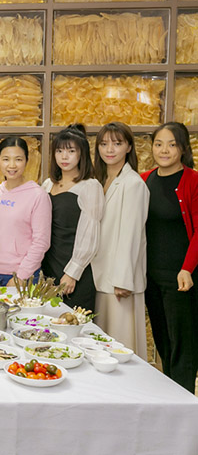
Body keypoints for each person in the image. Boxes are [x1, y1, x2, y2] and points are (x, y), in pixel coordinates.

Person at [142, 122, 198, 392]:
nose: (164, 150)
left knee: (183, 346)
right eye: (159, 144)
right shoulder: (144, 179)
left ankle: (184, 401)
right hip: (151, 277)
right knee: (162, 341)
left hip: (181, 278)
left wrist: (187, 268)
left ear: (183, 148)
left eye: (172, 144)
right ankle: (172, 399)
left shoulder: (193, 180)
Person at [90, 122, 149, 359]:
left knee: (121, 347)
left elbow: (131, 234)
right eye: (104, 144)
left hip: (119, 282)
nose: (109, 149)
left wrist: (123, 280)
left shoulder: (133, 183)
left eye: (117, 143)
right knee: (101, 345)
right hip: (100, 274)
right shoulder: (99, 179)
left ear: (129, 147)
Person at [41, 125, 104, 312]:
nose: (64, 156)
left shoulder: (90, 186)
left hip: (75, 271)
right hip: (48, 268)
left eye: (71, 151)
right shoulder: (47, 184)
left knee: (74, 323)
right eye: (59, 151)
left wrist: (73, 273)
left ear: (81, 154)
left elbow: (90, 234)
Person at [0, 136, 51, 286]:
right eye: (6, 159)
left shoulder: (38, 195)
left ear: (27, 161)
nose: (12, 165)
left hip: (23, 276)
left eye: (18, 159)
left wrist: (20, 277)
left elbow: (41, 242)